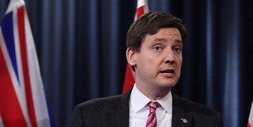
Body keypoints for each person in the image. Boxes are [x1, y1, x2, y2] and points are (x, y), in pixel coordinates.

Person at [69, 11, 222, 127]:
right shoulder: (89, 116)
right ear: (132, 56)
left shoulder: (208, 120)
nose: (170, 58)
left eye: (177, 49)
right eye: (157, 48)